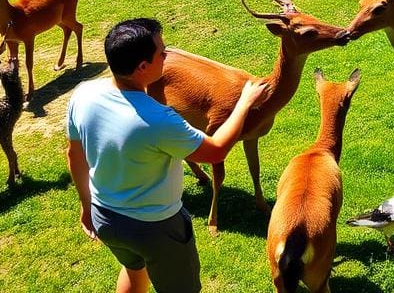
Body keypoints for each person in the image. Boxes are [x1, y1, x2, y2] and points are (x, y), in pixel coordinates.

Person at [67, 19, 268, 293]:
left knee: (134, 270)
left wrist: (86, 205)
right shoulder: (158, 119)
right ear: (142, 67)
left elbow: (75, 155)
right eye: (162, 53)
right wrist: (244, 103)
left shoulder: (83, 93)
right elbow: (216, 150)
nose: (168, 57)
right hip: (155, 227)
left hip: (106, 217)